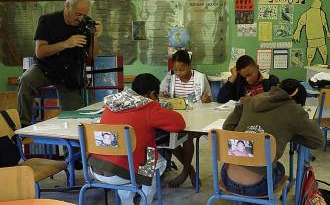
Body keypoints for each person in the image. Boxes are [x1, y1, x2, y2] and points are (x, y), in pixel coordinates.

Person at [88, 73, 186, 205]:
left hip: (96, 168)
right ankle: (145, 202)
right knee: (155, 160)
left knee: (130, 154)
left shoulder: (111, 103)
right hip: (121, 173)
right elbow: (179, 123)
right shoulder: (149, 107)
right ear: (152, 94)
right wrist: (161, 107)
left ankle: (127, 202)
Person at [221, 78, 324, 197]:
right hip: (258, 186)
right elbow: (318, 141)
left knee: (256, 162)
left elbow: (227, 127)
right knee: (278, 168)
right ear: (296, 97)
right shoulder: (295, 110)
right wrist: (290, 134)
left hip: (227, 178)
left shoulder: (250, 100)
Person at [17, 0, 102, 127]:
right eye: (78, 14)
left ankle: (74, 142)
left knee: (74, 119)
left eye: (84, 15)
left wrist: (95, 35)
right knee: (26, 80)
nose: (81, 18)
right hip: (45, 68)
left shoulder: (86, 23)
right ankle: (22, 124)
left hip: (70, 73)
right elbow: (40, 52)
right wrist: (66, 43)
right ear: (67, 6)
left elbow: (93, 55)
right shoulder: (47, 21)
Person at [159, 49, 212, 188]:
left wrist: (207, 99)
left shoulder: (200, 77)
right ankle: (189, 170)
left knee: (187, 137)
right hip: (176, 116)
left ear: (189, 65)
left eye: (181, 69)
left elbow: (209, 98)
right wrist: (164, 95)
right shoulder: (170, 77)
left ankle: (184, 173)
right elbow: (162, 96)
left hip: (196, 116)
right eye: (175, 70)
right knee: (169, 138)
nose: (178, 73)